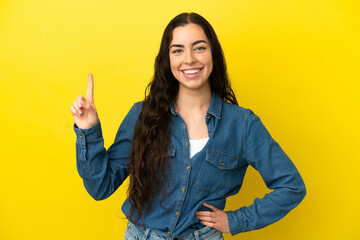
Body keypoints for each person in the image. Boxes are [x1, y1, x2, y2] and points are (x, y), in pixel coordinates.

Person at [70, 12, 306, 240]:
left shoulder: (242, 124)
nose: (189, 59)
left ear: (213, 54)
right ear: (167, 59)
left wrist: (235, 221)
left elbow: (291, 186)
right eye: (178, 50)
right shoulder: (142, 115)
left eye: (199, 47)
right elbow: (100, 188)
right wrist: (88, 130)